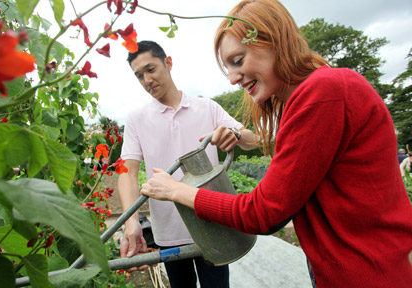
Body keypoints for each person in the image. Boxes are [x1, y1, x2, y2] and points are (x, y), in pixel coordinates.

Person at [139, 1, 412, 287]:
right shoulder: (312, 97)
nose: (233, 79)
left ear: (272, 41)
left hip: (366, 274)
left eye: (238, 60)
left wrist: (176, 189)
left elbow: (263, 212)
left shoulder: (324, 92)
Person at [118, 40, 258, 288]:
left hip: (213, 222)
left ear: (168, 63)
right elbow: (127, 173)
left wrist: (235, 135)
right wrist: (132, 222)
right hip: (169, 232)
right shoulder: (136, 119)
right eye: (139, 76)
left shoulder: (206, 107)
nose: (147, 80)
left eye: (151, 69)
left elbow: (252, 140)